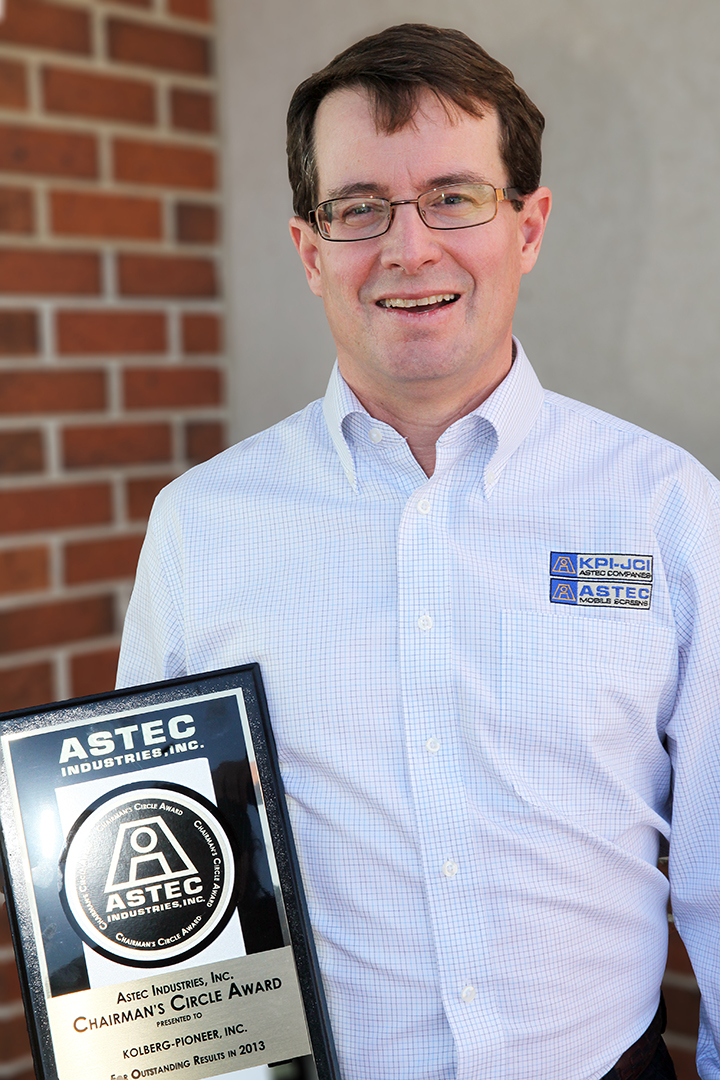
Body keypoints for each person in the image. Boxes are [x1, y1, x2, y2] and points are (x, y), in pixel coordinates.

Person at [117, 23, 720, 1080]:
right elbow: (147, 877)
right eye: (359, 210)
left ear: (528, 227)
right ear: (310, 251)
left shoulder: (668, 511)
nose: (409, 248)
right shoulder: (200, 528)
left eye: (455, 196)